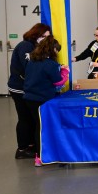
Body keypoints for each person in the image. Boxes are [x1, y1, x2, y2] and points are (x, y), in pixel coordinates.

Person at [23, 36, 69, 167]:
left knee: (38, 126)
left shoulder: (32, 61)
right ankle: (48, 156)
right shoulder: (51, 64)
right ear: (53, 49)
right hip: (43, 100)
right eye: (56, 50)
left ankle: (39, 156)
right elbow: (58, 81)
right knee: (47, 127)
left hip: (29, 99)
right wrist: (65, 72)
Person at [8, 23, 51, 160]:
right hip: (20, 88)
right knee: (24, 118)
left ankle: (31, 144)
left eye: (47, 37)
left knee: (32, 118)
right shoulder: (25, 46)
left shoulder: (35, 47)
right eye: (43, 36)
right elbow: (29, 68)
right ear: (35, 34)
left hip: (29, 88)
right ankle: (22, 149)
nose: (44, 39)